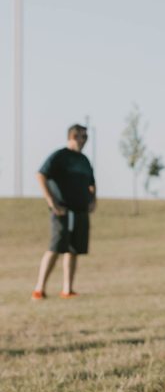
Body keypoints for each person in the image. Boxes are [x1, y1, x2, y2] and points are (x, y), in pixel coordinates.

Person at [32, 124, 96, 300]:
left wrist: (93, 199)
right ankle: (39, 289)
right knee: (56, 247)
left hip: (80, 210)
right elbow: (41, 174)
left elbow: (92, 182)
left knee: (73, 249)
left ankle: (67, 289)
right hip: (62, 210)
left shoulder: (84, 160)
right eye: (83, 137)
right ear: (73, 136)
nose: (85, 141)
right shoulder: (59, 156)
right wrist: (51, 201)